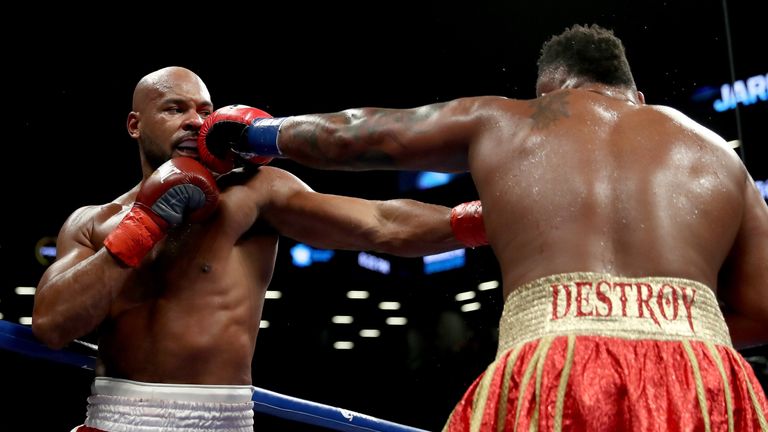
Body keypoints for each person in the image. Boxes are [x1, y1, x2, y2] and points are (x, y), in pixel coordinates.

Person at [199, 24, 768, 431]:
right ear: (637, 96)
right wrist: (665, 325)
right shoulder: (718, 153)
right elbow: (762, 309)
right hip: (702, 373)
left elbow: (367, 133)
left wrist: (258, 135)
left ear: (548, 92)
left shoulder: (511, 119)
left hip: (555, 365)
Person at [31, 66, 488, 432]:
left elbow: (380, 223)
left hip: (221, 419)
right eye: (175, 109)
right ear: (135, 124)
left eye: (203, 110)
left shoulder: (254, 194)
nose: (195, 120)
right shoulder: (92, 221)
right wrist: (142, 226)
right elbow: (52, 326)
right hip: (117, 418)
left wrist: (483, 219)